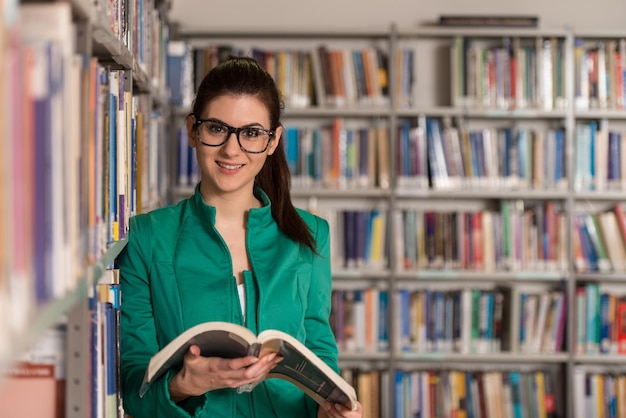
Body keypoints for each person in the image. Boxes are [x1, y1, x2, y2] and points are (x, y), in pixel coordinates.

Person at [117, 56, 363, 418]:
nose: (232, 150)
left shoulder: (311, 236)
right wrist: (184, 384)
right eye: (217, 128)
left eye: (251, 133)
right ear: (192, 131)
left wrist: (330, 411)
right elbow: (133, 388)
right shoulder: (146, 238)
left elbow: (321, 360)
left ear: (273, 140)